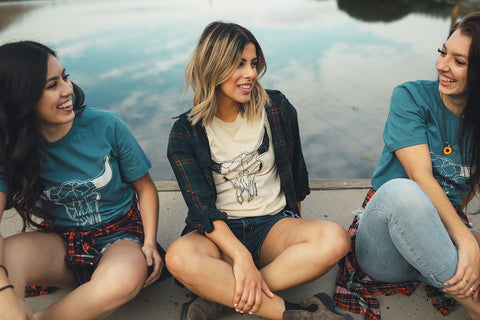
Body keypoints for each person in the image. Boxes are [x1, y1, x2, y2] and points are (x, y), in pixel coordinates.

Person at [166, 21, 352, 320]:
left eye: (253, 63)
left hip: (273, 226)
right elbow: (202, 211)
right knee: (178, 257)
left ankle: (223, 295)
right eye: (239, 64)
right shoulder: (185, 133)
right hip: (219, 234)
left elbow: (297, 177)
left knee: (336, 240)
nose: (251, 73)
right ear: (212, 66)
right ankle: (296, 312)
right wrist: (239, 255)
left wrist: (293, 234)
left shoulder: (276, 108)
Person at [0, 41, 163, 319]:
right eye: (52, 85)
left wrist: (149, 242)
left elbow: (145, 188)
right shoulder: (12, 148)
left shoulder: (106, 125)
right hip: (60, 242)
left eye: (65, 77)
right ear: (21, 97)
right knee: (9, 252)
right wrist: (5, 295)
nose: (68, 90)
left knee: (122, 280)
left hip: (120, 236)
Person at [334, 12, 480, 320]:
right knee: (405, 191)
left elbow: (465, 192)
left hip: (441, 235)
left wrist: (462, 238)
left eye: (459, 61)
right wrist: (466, 241)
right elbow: (420, 176)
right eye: (443, 53)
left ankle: (446, 269)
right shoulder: (411, 97)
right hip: (385, 246)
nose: (442, 66)